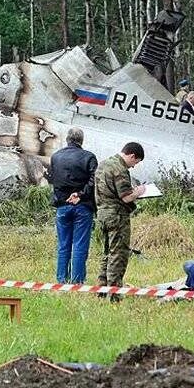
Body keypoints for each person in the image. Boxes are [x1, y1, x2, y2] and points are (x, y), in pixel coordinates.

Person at [94, 142, 147, 301]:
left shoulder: (103, 164)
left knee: (106, 253)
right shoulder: (120, 169)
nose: (133, 166)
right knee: (118, 254)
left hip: (102, 214)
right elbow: (126, 196)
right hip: (117, 216)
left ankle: (101, 290)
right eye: (135, 162)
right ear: (131, 156)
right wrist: (138, 192)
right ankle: (114, 294)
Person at [48, 128, 97, 284]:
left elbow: (53, 178)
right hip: (82, 206)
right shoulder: (89, 157)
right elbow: (94, 179)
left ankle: (61, 280)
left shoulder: (56, 157)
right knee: (79, 245)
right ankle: (77, 282)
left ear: (67, 139)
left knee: (63, 246)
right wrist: (80, 194)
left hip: (62, 205)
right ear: (81, 141)